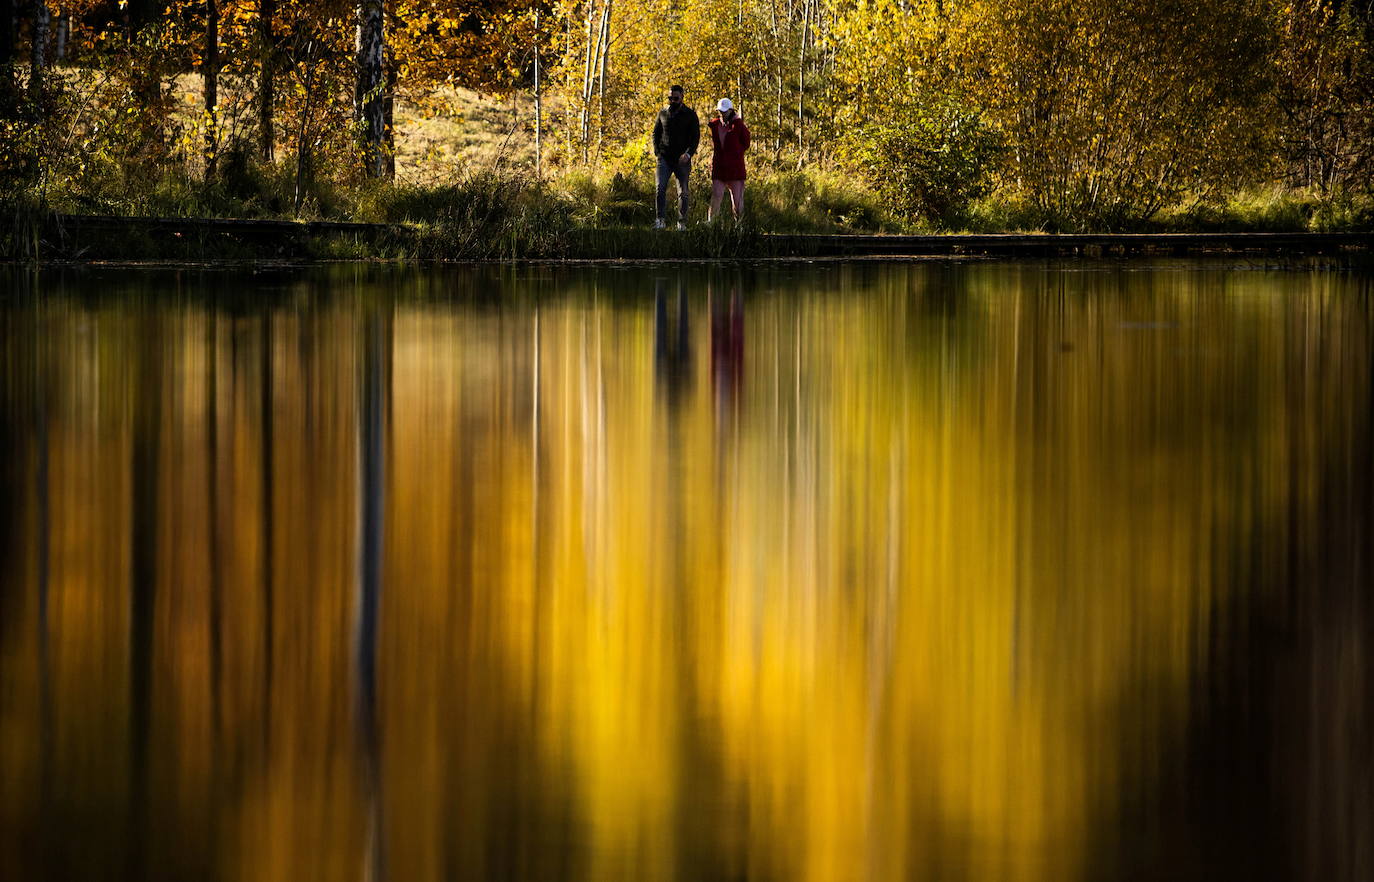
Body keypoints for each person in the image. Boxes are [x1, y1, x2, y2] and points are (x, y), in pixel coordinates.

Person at [652, 85, 700, 230]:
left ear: (682, 97)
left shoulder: (690, 115)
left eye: (676, 98)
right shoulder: (663, 112)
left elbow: (695, 138)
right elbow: (656, 133)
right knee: (660, 188)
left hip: (682, 160)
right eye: (670, 98)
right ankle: (660, 220)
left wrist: (688, 154)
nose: (672, 101)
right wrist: (657, 152)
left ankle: (681, 222)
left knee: (683, 192)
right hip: (664, 158)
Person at [707, 98, 750, 222]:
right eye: (720, 111)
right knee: (716, 196)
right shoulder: (715, 125)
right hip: (719, 168)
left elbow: (746, 143)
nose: (722, 114)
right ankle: (711, 223)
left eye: (724, 111)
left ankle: (739, 226)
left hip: (735, 169)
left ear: (731, 110)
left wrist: (735, 154)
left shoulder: (739, 125)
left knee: (737, 200)